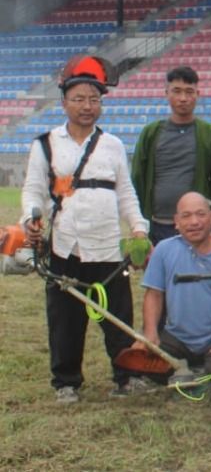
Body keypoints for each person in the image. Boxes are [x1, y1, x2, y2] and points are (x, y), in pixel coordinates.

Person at [21, 56, 151, 403]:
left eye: (94, 99)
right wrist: (30, 222)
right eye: (78, 98)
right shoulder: (45, 144)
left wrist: (138, 229)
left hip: (108, 246)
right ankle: (66, 382)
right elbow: (33, 191)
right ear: (64, 102)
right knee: (65, 319)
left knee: (118, 317)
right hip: (66, 245)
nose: (87, 106)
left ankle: (126, 377)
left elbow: (126, 193)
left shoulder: (113, 145)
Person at [137, 192, 211, 386]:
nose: (194, 222)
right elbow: (154, 294)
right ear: (176, 221)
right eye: (186, 216)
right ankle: (188, 367)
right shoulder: (164, 250)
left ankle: (205, 368)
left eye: (201, 214)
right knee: (148, 364)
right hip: (178, 338)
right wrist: (150, 333)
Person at [131, 65, 211, 245]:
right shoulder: (150, 133)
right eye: (176, 91)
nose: (183, 98)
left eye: (189, 92)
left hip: (195, 226)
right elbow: (137, 178)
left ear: (198, 94)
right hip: (156, 224)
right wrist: (139, 224)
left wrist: (210, 229)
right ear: (166, 93)